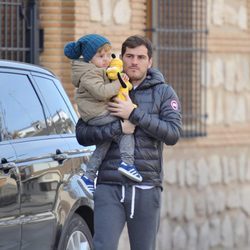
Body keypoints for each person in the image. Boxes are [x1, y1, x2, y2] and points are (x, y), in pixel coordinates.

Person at [75, 35, 182, 250]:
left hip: (146, 184)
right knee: (102, 246)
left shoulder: (163, 92)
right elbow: (82, 133)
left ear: (149, 62)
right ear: (121, 58)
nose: (135, 61)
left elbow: (172, 133)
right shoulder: (103, 86)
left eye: (141, 57)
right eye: (130, 56)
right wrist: (117, 128)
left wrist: (134, 113)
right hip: (108, 184)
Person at [64, 34, 143, 199]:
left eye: (108, 55)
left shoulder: (96, 70)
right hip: (97, 114)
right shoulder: (88, 74)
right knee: (126, 126)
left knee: (104, 143)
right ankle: (127, 163)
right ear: (88, 59)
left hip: (98, 112)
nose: (106, 59)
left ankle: (88, 177)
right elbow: (101, 92)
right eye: (101, 56)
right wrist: (119, 82)